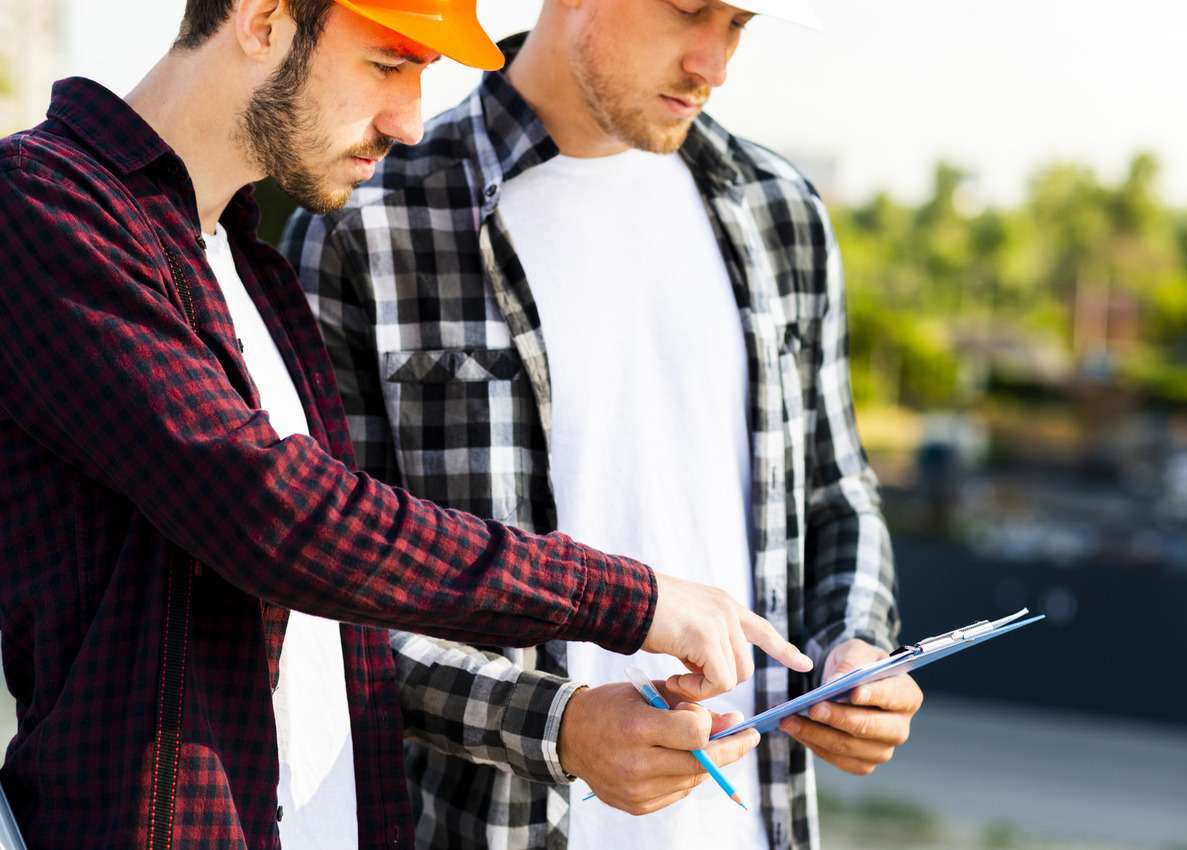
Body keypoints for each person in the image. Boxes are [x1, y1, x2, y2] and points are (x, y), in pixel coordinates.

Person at [0, 1, 813, 847]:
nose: (411, 122)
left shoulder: (247, 268)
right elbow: (282, 515)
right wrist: (626, 598)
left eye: (424, 75)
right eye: (389, 64)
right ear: (263, 18)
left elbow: (353, 601)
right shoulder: (40, 205)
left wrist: (563, 717)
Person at [282, 1, 926, 848]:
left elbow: (837, 491)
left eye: (738, 24)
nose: (714, 62)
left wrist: (858, 647)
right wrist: (563, 727)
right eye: (689, 11)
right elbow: (322, 595)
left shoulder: (782, 212)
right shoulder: (368, 220)